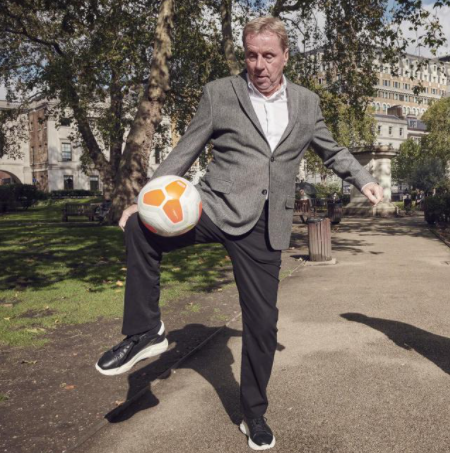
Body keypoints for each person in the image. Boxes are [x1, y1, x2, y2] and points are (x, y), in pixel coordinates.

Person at [95, 17, 383, 450]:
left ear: (285, 56)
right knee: (138, 224)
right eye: (252, 55)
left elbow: (331, 148)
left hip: (267, 226)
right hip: (213, 205)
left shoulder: (306, 102)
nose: (260, 65)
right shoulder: (220, 93)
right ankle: (145, 332)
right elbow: (185, 148)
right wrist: (147, 197)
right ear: (244, 55)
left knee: (263, 326)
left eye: (269, 55)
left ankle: (254, 414)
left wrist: (363, 179)